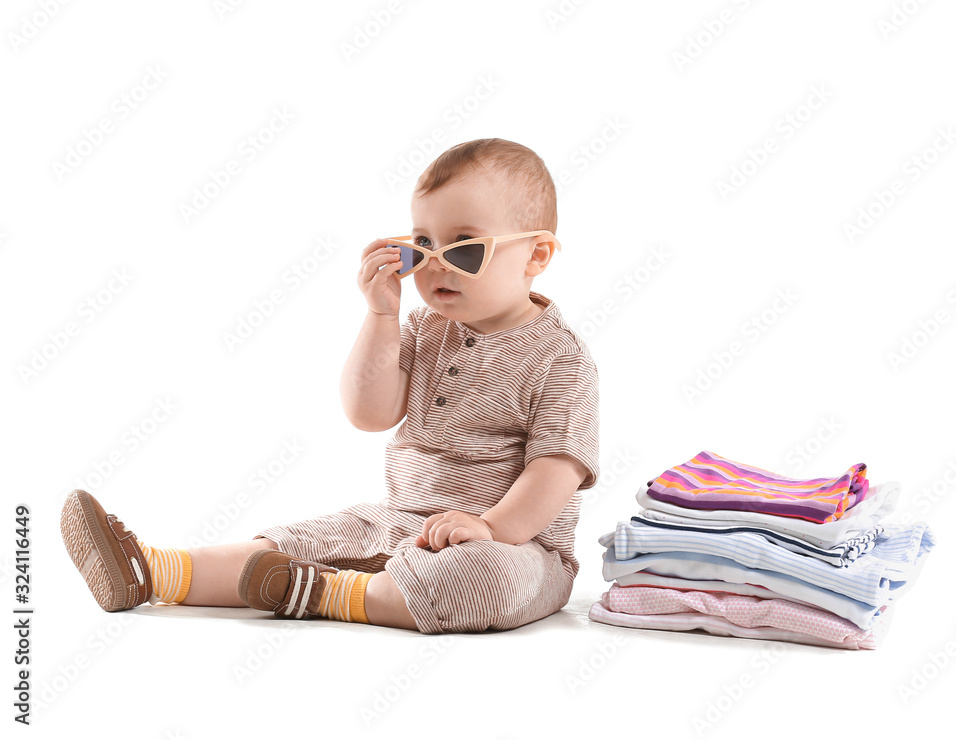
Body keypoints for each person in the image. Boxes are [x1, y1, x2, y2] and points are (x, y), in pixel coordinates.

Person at [61, 137, 601, 634]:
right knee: (305, 537)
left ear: (536, 255)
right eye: (420, 246)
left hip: (516, 545)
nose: (437, 266)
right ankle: (155, 571)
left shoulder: (559, 358)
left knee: (482, 579)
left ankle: (328, 593)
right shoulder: (421, 329)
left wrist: (488, 527)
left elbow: (554, 471)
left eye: (463, 249)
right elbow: (369, 412)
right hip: (400, 519)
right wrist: (381, 316)